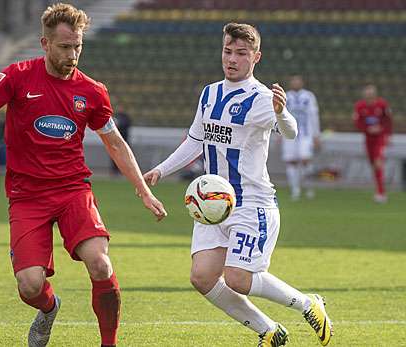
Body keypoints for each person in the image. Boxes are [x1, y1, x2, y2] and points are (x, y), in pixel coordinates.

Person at [0, 4, 167, 347]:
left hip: (73, 190)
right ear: (45, 44)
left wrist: (143, 192)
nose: (72, 54)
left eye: (77, 46)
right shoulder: (17, 76)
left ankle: (110, 344)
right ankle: (48, 307)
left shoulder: (92, 91)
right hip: (27, 194)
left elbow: (115, 144)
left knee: (100, 265)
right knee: (30, 286)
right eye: (64, 47)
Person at [143, 23, 333, 347]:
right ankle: (269, 330)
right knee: (202, 277)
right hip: (212, 205)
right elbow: (195, 141)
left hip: (250, 202)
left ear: (255, 57)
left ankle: (308, 304)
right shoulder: (210, 93)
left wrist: (282, 112)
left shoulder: (261, 98)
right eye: (227, 51)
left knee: (238, 278)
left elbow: (291, 132)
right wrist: (160, 171)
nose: (232, 59)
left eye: (241, 54)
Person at [282, 75, 321, 201]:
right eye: (294, 81)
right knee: (291, 161)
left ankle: (308, 187)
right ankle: (295, 189)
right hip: (289, 134)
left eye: (298, 81)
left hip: (306, 133)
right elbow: (279, 115)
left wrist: (316, 135)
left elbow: (314, 115)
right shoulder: (285, 96)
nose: (296, 83)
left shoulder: (309, 96)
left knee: (305, 160)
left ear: (302, 83)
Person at [353, 84, 392, 203]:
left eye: (371, 92)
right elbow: (357, 122)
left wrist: (387, 134)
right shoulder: (359, 106)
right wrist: (366, 129)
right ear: (364, 94)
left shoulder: (382, 104)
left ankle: (381, 193)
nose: (369, 94)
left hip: (380, 138)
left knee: (378, 162)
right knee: (374, 165)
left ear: (375, 93)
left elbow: (388, 120)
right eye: (367, 92)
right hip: (368, 139)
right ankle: (379, 190)